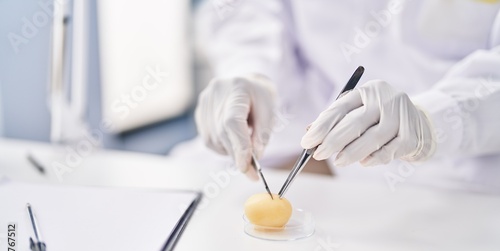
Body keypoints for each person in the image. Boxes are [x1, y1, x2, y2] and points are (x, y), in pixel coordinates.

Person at [176, 1, 500, 193]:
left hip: (459, 177)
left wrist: (436, 119)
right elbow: (251, 8)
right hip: (304, 135)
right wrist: (250, 70)